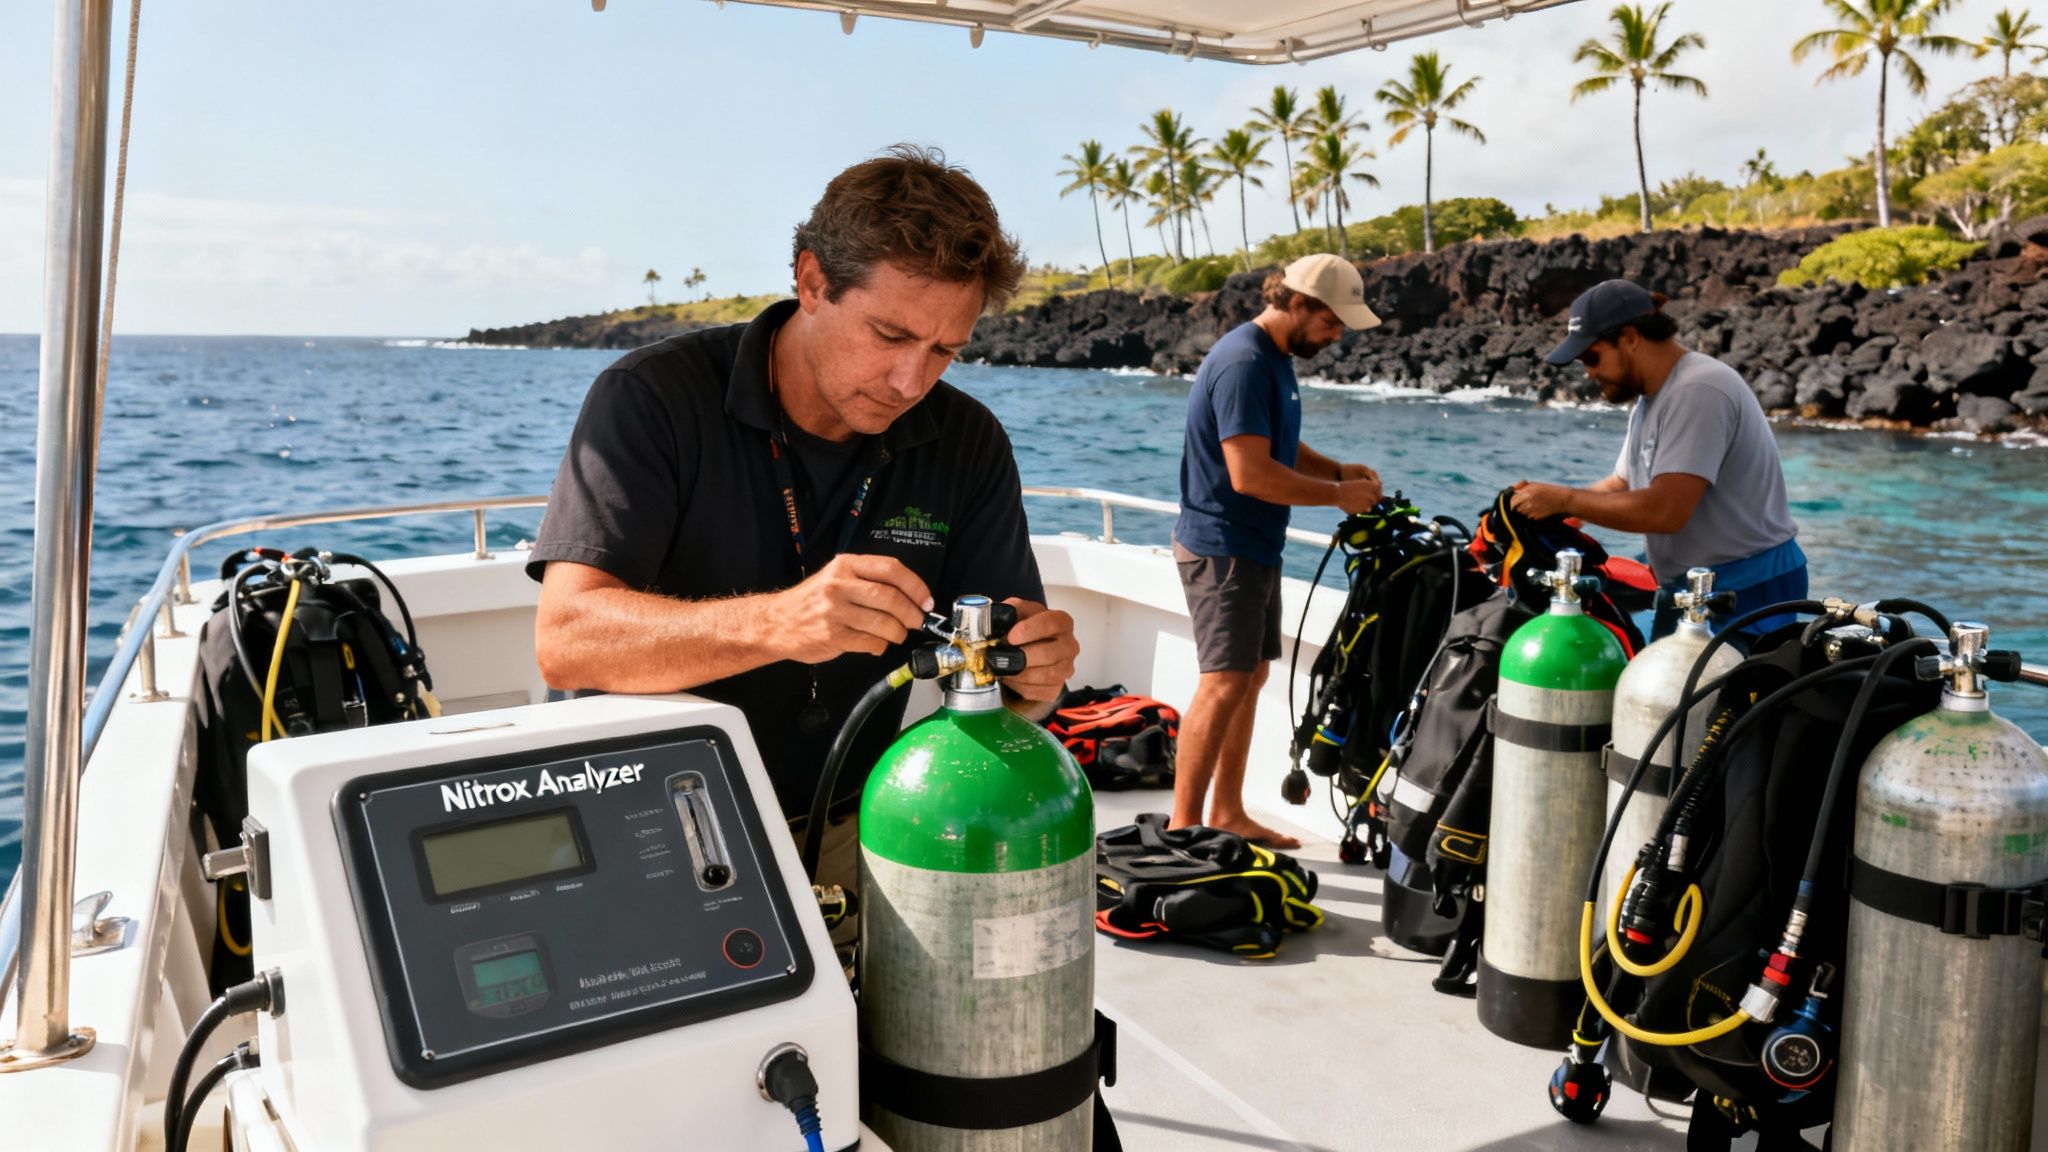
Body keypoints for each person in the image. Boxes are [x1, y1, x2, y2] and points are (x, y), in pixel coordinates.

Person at [527, 145, 1079, 899]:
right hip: (643, 834)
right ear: (812, 281)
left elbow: (1012, 688)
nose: (910, 381)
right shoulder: (651, 397)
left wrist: (1035, 676)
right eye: (890, 336)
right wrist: (778, 624)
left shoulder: (968, 440)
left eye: (945, 350)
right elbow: (566, 641)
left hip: (854, 827)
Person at [1171, 254, 1387, 849]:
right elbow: (1250, 474)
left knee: (1250, 675)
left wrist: (1337, 469)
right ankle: (1183, 830)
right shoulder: (1244, 362)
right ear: (1297, 303)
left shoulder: (1274, 357)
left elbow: (1277, 445)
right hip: (1223, 547)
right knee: (1223, 682)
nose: (1337, 335)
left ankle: (1227, 812)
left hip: (1255, 545)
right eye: (1332, 321)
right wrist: (1338, 496)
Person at [1512, 279, 1806, 637]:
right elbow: (1622, 483)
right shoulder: (1653, 397)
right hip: (1695, 584)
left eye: (1592, 357)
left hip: (1747, 588)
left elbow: (1666, 511)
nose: (1588, 372)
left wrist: (1566, 499)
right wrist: (1553, 508)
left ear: (1630, 338)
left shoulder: (1698, 390)